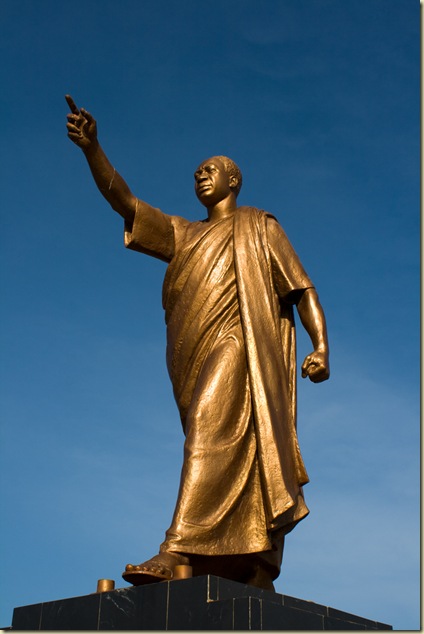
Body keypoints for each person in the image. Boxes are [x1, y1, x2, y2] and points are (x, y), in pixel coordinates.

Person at [66, 95, 330, 591]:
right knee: (213, 441)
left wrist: (321, 347)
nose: (201, 175)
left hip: (243, 347)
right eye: (196, 173)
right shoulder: (183, 235)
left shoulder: (260, 227)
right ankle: (250, 561)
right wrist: (92, 149)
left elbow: (301, 289)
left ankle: (177, 547)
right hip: (192, 355)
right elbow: (126, 202)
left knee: (208, 429)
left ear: (234, 180)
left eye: (211, 170)